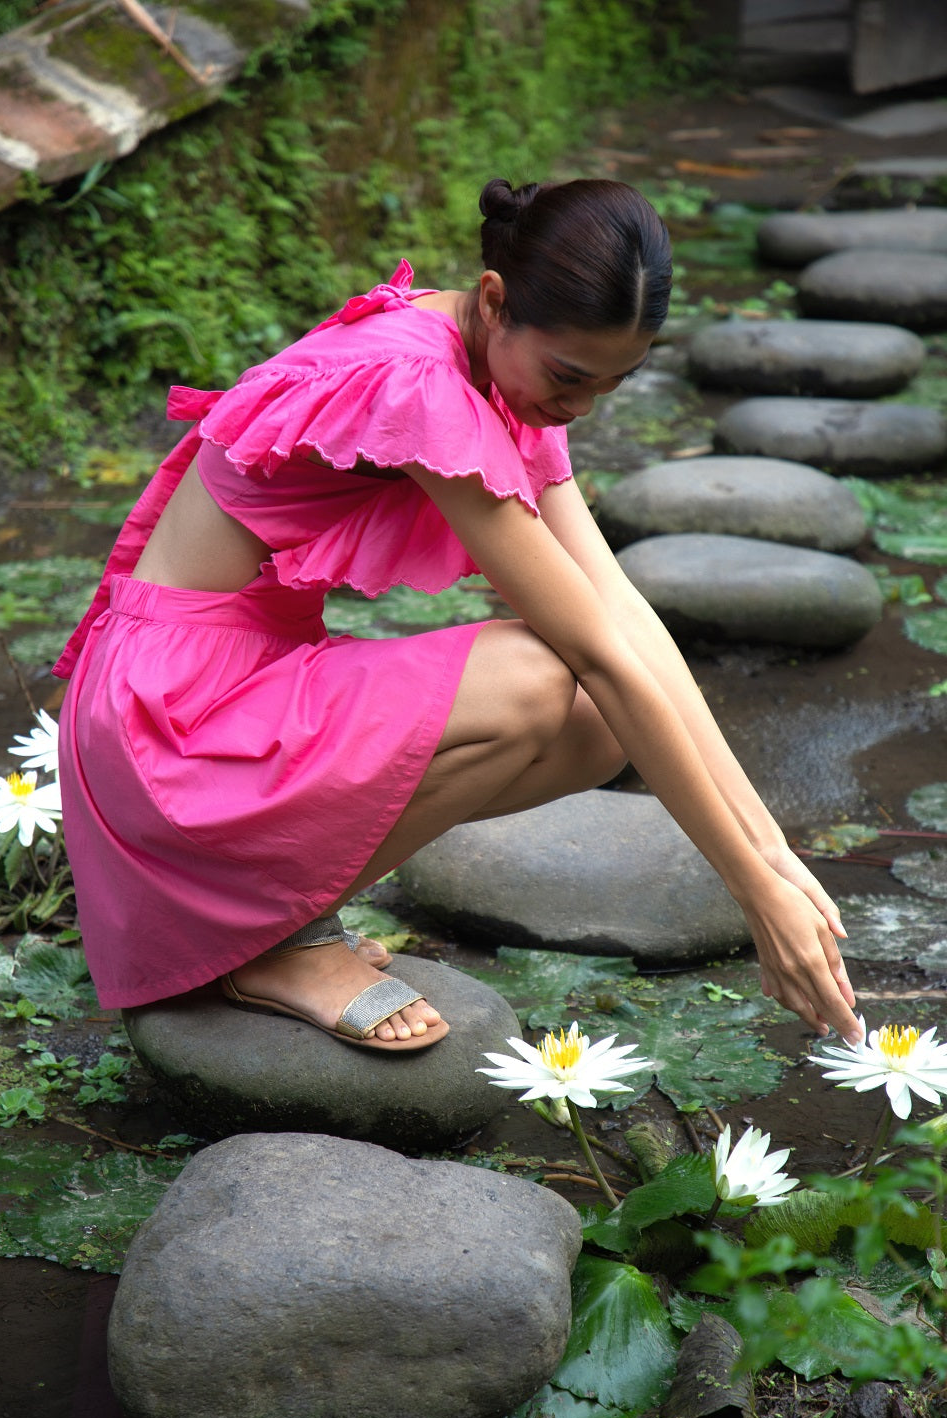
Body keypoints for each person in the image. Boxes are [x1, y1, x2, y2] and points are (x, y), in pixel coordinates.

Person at [54, 176, 863, 1054]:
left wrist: (774, 856)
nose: (583, 405)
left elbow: (620, 607)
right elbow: (592, 647)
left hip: (230, 690)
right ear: (494, 299)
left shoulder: (510, 373)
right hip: (168, 721)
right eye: (571, 375)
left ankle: (267, 915)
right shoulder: (419, 382)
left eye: (615, 384)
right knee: (546, 676)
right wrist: (749, 890)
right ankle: (271, 945)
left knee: (601, 726)